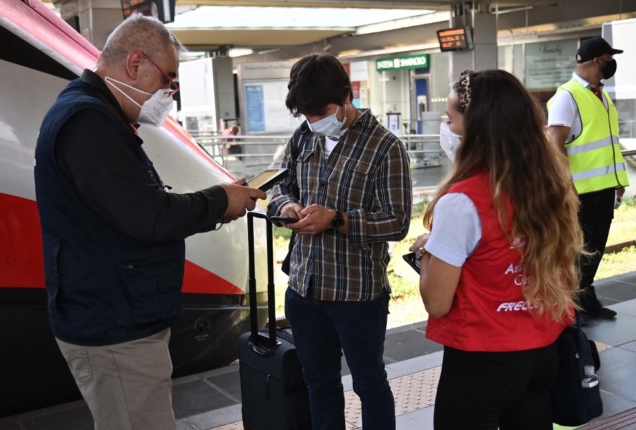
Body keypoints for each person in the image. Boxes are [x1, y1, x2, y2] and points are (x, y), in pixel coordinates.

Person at [33, 14, 265, 430]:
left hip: (118, 316)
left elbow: (136, 207)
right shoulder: (87, 123)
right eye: (168, 79)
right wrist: (218, 200)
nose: (169, 93)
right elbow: (149, 216)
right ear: (135, 63)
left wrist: (219, 200)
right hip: (114, 327)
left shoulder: (98, 117)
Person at [410, 69, 584, 429]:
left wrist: (427, 252)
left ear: (478, 127)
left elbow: (437, 301)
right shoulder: (550, 186)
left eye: (450, 119)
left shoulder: (462, 202)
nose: (448, 129)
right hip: (543, 354)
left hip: (482, 362)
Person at [267, 53, 412, 430]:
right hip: (304, 286)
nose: (315, 122)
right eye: (306, 115)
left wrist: (337, 220)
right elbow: (278, 185)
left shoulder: (385, 147)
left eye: (321, 112)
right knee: (319, 383)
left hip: (356, 293)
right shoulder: (303, 137)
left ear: (347, 95)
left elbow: (397, 222)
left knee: (369, 383)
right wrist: (289, 206)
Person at [547, 37, 629, 319]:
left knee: (595, 248)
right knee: (577, 250)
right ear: (597, 61)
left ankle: (585, 296)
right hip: (580, 191)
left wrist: (618, 182)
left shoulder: (601, 95)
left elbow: (608, 142)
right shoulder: (566, 96)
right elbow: (554, 143)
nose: (610, 64)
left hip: (604, 187)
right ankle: (569, 304)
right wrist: (567, 187)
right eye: (608, 59)